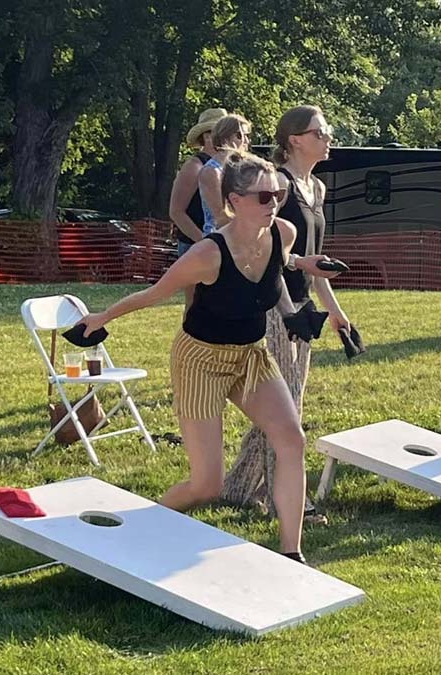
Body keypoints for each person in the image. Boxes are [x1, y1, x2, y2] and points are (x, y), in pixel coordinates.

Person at [82, 152, 339, 563]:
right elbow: (154, 294)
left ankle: (292, 553)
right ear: (233, 201)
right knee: (207, 485)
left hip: (251, 356)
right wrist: (102, 317)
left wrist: (303, 267)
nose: (274, 202)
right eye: (264, 196)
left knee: (292, 440)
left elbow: (278, 263)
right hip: (200, 360)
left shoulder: (283, 233)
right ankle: (139, 529)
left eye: (279, 193)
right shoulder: (207, 254)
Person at [220, 105, 349, 522]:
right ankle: (290, 499)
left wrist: (335, 310)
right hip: (274, 307)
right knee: (286, 411)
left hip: (302, 307)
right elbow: (267, 253)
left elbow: (312, 261)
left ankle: (239, 488)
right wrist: (289, 308)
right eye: (320, 131)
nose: (328, 138)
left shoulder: (318, 188)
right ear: (295, 139)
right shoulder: (279, 187)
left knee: (283, 406)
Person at [169, 108, 227, 305]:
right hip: (195, 244)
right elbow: (176, 211)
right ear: (206, 136)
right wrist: (202, 240)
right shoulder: (195, 166)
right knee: (196, 306)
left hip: (225, 243)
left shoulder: (229, 166)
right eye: (213, 133)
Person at [197, 114, 251, 235]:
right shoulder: (211, 171)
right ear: (225, 139)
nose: (246, 141)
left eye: (247, 136)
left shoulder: (242, 168)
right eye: (239, 135)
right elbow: (220, 216)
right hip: (219, 240)